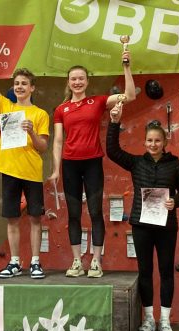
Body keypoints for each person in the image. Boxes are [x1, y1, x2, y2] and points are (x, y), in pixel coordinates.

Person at [106, 103, 179, 331]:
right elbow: (112, 152)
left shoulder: (175, 165)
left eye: (157, 141)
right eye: (149, 141)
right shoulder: (137, 163)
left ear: (164, 143)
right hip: (141, 225)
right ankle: (148, 320)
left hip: (166, 226)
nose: (153, 144)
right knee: (145, 270)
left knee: (165, 270)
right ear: (144, 143)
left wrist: (176, 201)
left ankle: (164, 320)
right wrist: (114, 122)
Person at [48, 51, 136, 278]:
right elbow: (58, 141)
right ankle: (77, 261)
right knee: (74, 214)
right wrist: (55, 169)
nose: (77, 82)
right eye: (73, 79)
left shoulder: (97, 101)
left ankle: (96, 261)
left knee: (96, 212)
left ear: (87, 81)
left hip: (93, 163)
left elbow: (129, 95)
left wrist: (126, 67)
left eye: (81, 78)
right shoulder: (61, 109)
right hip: (70, 166)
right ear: (69, 82)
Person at [0, 35, 50, 279]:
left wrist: (31, 132)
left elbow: (43, 147)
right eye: (17, 83)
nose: (19, 87)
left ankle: (36, 262)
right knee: (12, 219)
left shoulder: (39, 114)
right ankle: (16, 262)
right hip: (9, 170)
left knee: (36, 218)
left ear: (32, 88)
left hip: (32, 172)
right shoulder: (6, 106)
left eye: (24, 84)